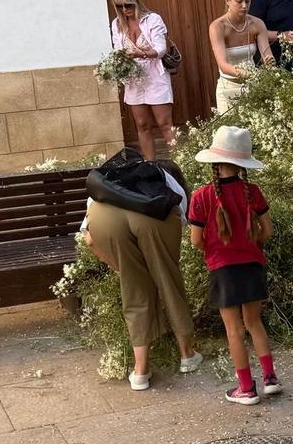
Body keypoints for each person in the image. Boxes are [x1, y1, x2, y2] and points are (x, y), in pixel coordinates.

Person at [80, 158, 202, 390]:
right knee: (167, 280)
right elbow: (179, 232)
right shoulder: (169, 183)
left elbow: (89, 239)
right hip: (154, 213)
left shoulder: (108, 180)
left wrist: (119, 266)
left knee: (134, 287)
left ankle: (140, 372)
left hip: (104, 218)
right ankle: (188, 356)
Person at [189, 125, 280, 405]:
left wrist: (215, 250)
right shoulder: (253, 191)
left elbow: (195, 241)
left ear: (215, 162)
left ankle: (246, 389)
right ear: (243, 164)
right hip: (252, 265)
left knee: (234, 331)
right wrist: (252, 243)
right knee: (254, 323)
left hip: (222, 269)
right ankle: (270, 379)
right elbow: (268, 230)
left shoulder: (201, 197)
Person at [109, 0, 174, 160]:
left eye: (128, 5)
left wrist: (141, 54)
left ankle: (182, 163)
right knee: (142, 124)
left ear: (136, 2)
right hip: (133, 78)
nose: (125, 10)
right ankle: (150, 166)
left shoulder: (152, 19)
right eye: (120, 6)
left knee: (164, 124)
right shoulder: (117, 24)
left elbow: (161, 49)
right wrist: (115, 64)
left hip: (154, 75)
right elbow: (117, 49)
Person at [209, 0, 275, 114]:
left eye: (248, 1)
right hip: (228, 86)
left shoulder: (257, 23)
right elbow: (223, 64)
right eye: (239, 1)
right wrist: (248, 74)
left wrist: (269, 62)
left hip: (253, 86)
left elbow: (267, 54)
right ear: (228, 1)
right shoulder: (218, 26)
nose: (244, 6)